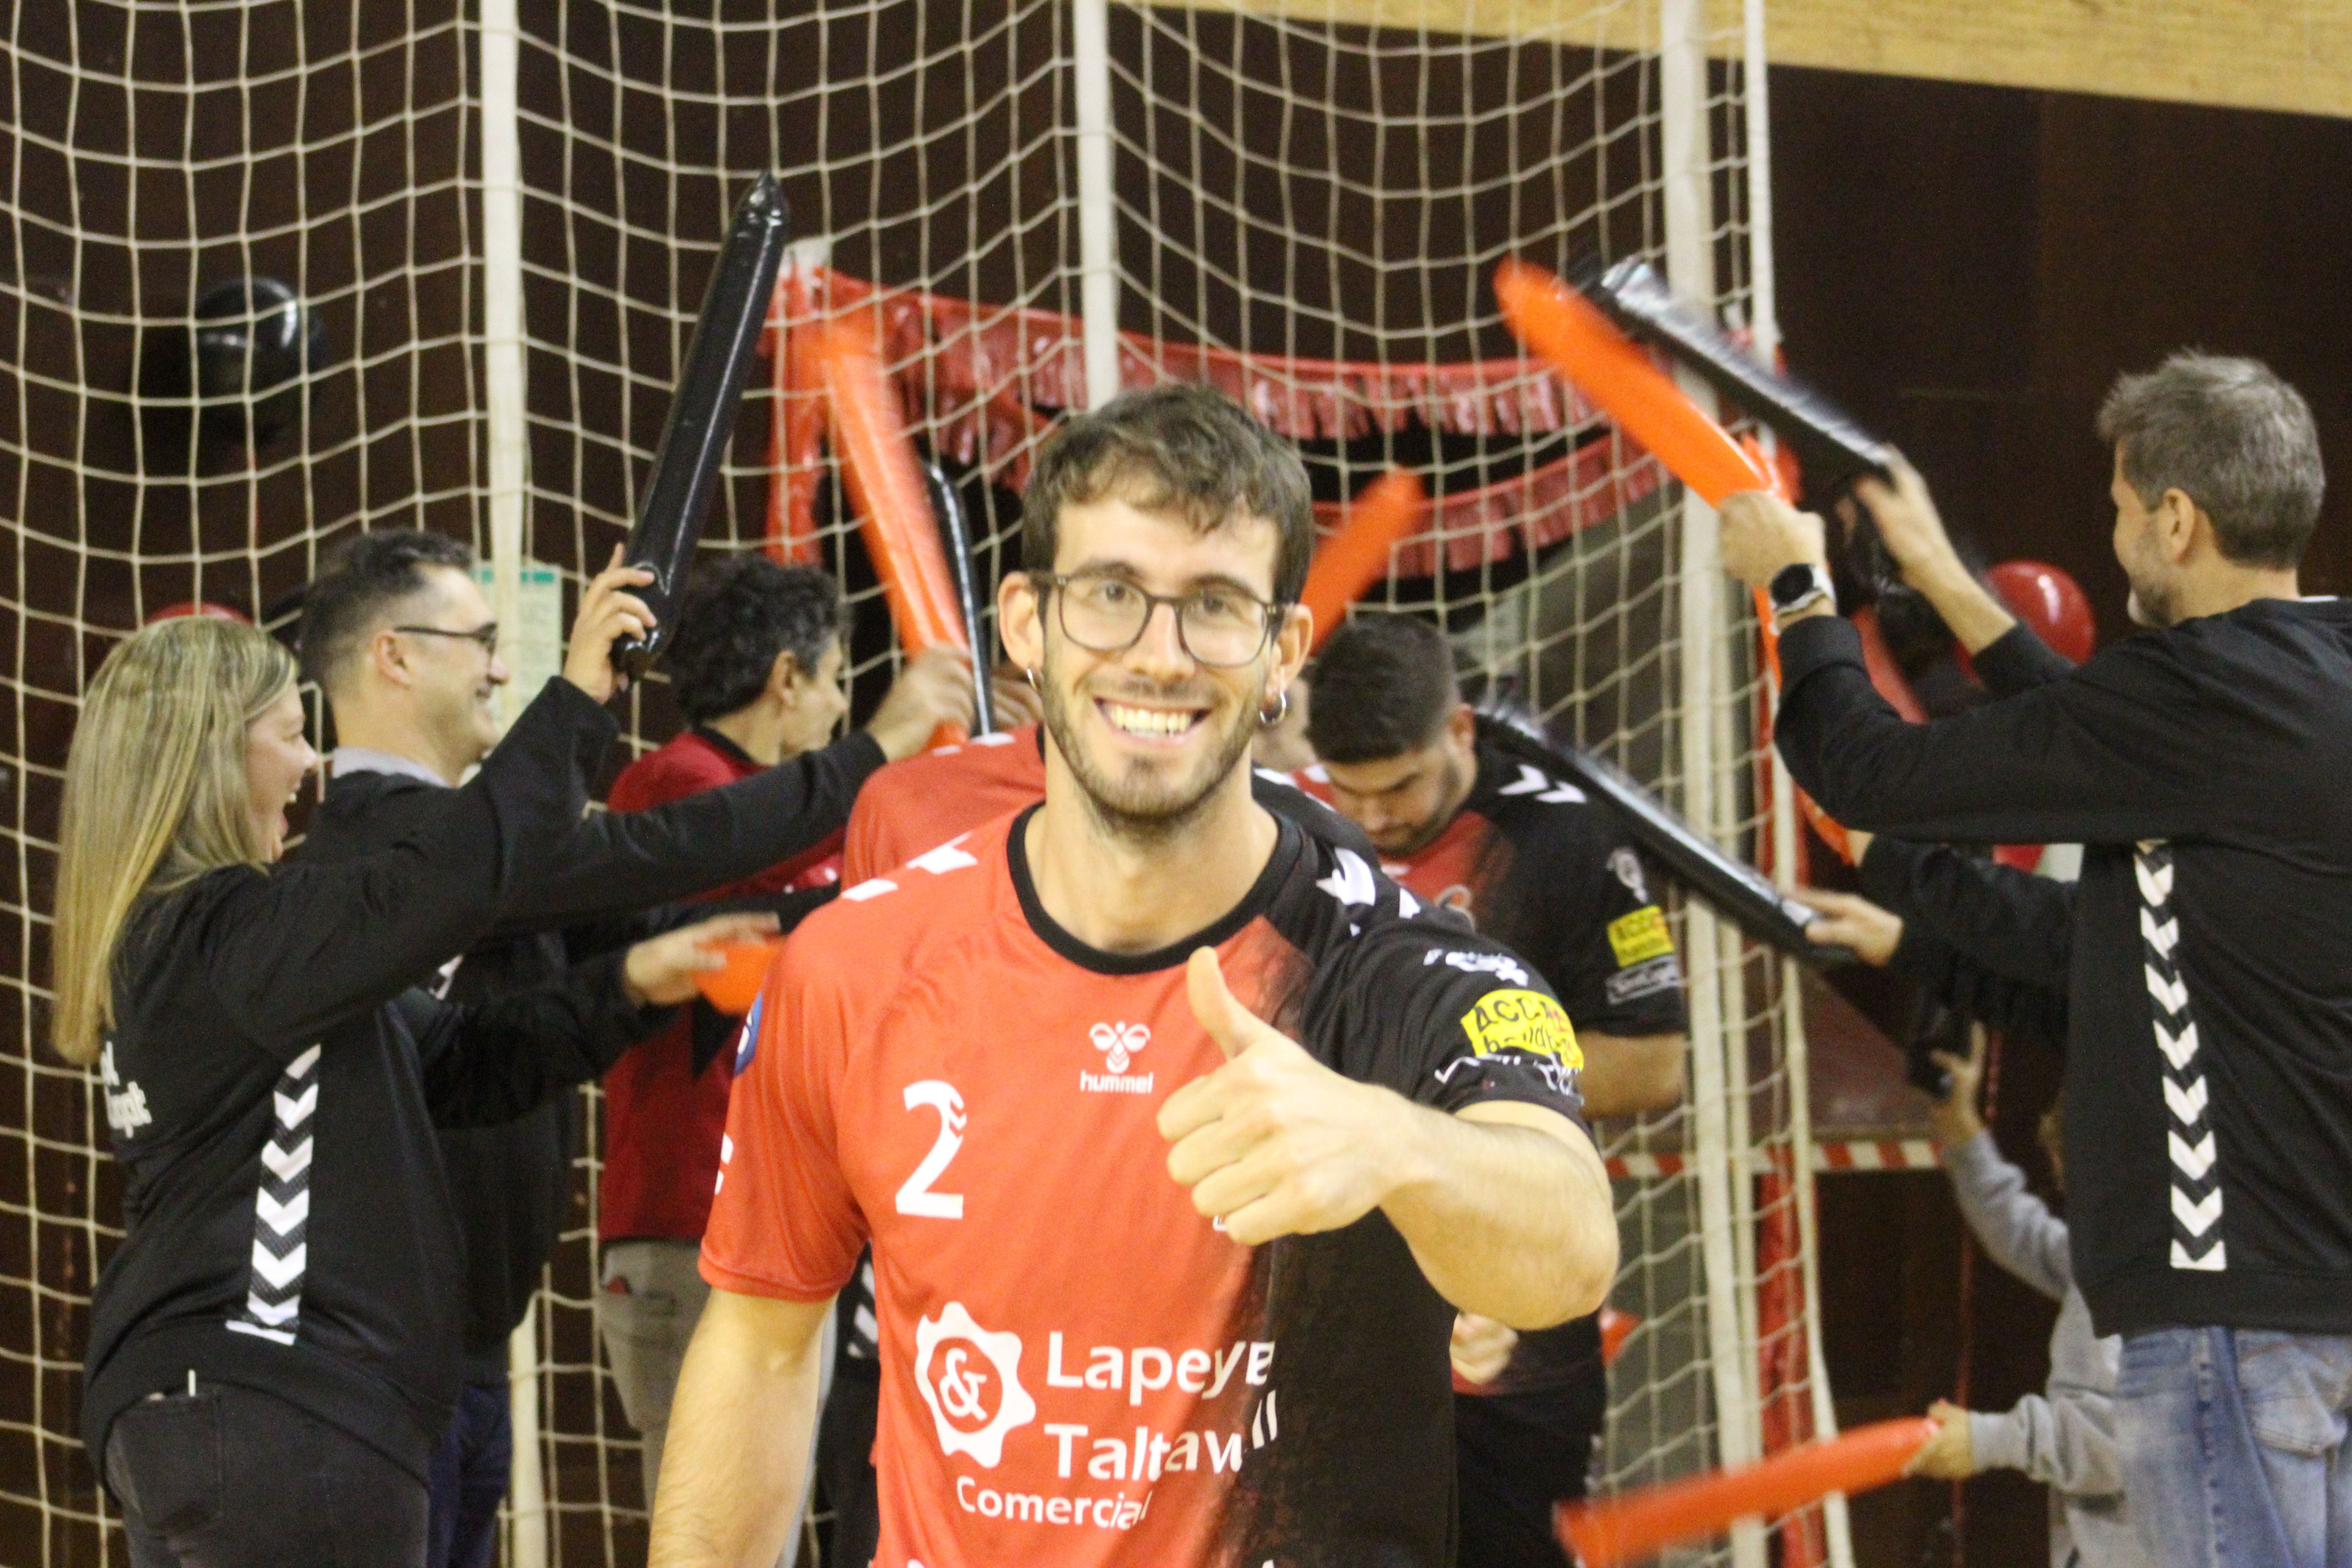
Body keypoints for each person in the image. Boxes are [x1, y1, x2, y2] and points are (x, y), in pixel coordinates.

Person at [648, 383, 1617, 1568]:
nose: (1158, 656)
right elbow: (761, 1343)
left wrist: (1393, 1147)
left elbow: (1569, 1243)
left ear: (1282, 654)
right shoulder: (855, 966)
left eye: (1213, 607)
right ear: (1025, 624)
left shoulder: (1399, 970)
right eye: (1111, 594)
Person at [1720, 352, 2352, 1568]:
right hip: (2311, 1305)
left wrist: (1796, 590)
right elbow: (2117, 732)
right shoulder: (2304, 683)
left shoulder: (2197, 703)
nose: (2116, 541)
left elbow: (1863, 769)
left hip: (2228, 1313)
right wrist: (1944, 580)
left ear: (2177, 519)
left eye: (2120, 513)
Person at [53, 563, 771, 1568]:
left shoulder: (202, 952)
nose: (312, 766)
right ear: (213, 756)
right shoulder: (230, 931)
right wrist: (574, 702)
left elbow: (456, 1061)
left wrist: (633, 984)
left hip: (190, 1414)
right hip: (283, 1409)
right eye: (290, 733)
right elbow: (452, 875)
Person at [291, 530, 973, 1568]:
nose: (503, 665)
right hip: (381, 1357)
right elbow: (675, 855)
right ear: (395, 656)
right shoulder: (394, 843)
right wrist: (875, 754)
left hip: (461, 1352)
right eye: (479, 640)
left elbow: (648, 947)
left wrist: (927, 900)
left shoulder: (478, 855)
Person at [1298, 612, 1687, 1568]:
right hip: (1326, 1326)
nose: (1377, 816)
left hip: (1511, 1330)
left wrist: (1440, 1097)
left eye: (1401, 785)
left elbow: (1654, 1063)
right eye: (1352, 790)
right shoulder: (1292, 831)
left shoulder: (1569, 839)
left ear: (1460, 730)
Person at [595, 554, 854, 1533]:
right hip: (687, 1233)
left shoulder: (777, 810)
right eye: (834, 680)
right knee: (711, 1539)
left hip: (775, 1234)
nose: (838, 712)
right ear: (788, 678)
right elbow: (732, 917)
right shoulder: (674, 785)